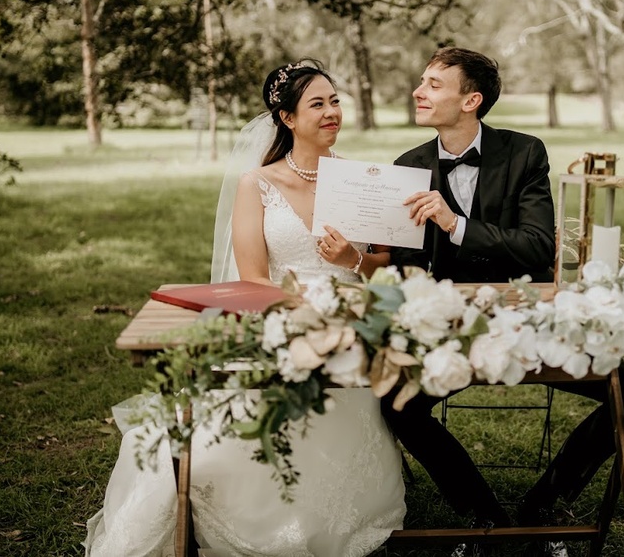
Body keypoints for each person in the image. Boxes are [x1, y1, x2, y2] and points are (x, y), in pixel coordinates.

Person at [84, 60, 405, 557]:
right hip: (281, 323)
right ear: (287, 118)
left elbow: (385, 269)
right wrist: (305, 311)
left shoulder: (362, 181)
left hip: (353, 328)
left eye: (335, 101)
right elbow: (253, 278)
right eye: (316, 104)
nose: (331, 112)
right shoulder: (257, 183)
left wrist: (352, 260)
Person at [383, 47, 624, 557]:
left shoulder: (525, 152)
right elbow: (402, 264)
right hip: (450, 327)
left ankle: (545, 505)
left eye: (434, 84)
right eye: (421, 81)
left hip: (531, 318)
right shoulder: (408, 166)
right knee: (397, 405)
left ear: (472, 100)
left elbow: (536, 246)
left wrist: (455, 224)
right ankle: (483, 516)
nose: (419, 92)